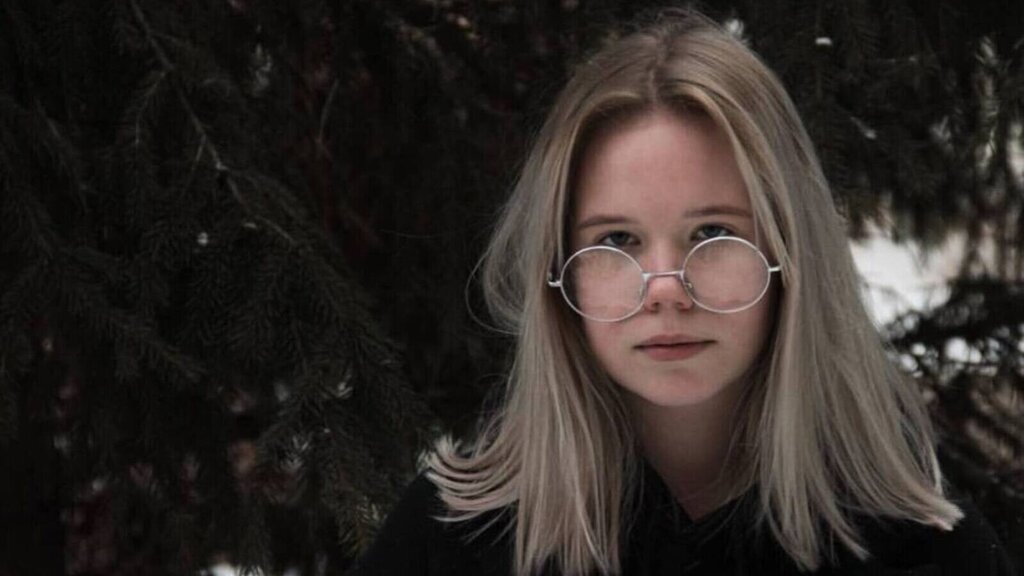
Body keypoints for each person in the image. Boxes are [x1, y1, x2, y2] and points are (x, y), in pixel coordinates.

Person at [348, 9, 1015, 576]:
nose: (666, 289)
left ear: (791, 255)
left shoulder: (921, 549)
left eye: (713, 232)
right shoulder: (451, 542)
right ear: (560, 271)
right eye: (617, 239)